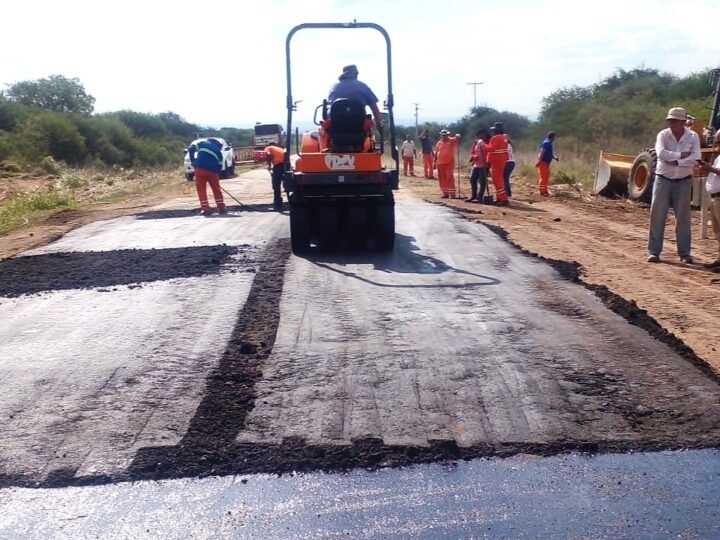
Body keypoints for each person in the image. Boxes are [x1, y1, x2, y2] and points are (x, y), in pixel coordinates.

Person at [647, 107, 701, 264]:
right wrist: (681, 156)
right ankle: (654, 252)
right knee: (657, 216)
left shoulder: (693, 136)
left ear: (683, 122)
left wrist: (675, 161)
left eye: (675, 121)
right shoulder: (663, 135)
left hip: (684, 181)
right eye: (670, 121)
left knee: (683, 218)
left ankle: (685, 253)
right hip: (663, 179)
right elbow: (661, 154)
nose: (672, 123)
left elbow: (696, 157)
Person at [328, 64, 383, 130]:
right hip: (359, 126)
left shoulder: (333, 87)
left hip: (336, 126)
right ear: (355, 73)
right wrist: (378, 124)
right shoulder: (362, 86)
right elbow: (374, 107)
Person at [696, 130, 720, 268]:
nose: (715, 145)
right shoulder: (717, 157)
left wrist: (710, 168)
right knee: (717, 231)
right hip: (715, 198)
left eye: (718, 142)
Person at [187, 138, 226, 216]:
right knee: (216, 189)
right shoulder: (219, 153)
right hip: (212, 172)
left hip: (200, 170)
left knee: (201, 190)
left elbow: (191, 148)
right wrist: (215, 175)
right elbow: (220, 167)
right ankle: (221, 207)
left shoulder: (203, 143)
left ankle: (205, 209)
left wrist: (193, 161)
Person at [485, 122, 510, 206]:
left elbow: (491, 148)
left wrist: (483, 145)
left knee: (497, 180)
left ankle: (503, 198)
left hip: (496, 161)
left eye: (494, 130)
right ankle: (499, 197)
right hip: (502, 160)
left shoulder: (496, 138)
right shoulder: (504, 137)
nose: (493, 132)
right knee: (499, 179)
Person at [434, 130, 461, 198]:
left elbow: (457, 138)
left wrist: (457, 135)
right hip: (440, 163)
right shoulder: (439, 143)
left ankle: (452, 193)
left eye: (445, 135)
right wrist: (434, 162)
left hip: (449, 163)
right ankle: (445, 193)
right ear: (441, 135)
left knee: (449, 177)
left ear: (447, 135)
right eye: (442, 135)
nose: (444, 136)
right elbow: (436, 152)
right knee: (441, 178)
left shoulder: (451, 140)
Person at [466, 128, 488, 203]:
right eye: (480, 135)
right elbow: (472, 152)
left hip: (484, 165)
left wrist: (487, 162)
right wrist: (473, 156)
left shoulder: (488, 141)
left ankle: (480, 197)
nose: (482, 136)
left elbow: (488, 152)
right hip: (476, 164)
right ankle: (473, 196)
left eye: (483, 134)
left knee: (482, 181)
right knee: (472, 179)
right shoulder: (476, 142)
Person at [536, 131, 559, 196]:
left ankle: (545, 190)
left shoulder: (548, 143)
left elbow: (549, 153)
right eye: (554, 137)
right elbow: (542, 152)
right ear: (552, 137)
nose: (555, 139)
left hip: (546, 163)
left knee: (546, 176)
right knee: (543, 177)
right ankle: (542, 191)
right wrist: (539, 161)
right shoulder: (546, 143)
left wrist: (554, 157)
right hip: (543, 162)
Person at [265, 142, 286, 210]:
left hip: (278, 166)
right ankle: (291, 202)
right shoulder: (280, 148)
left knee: (276, 185)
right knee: (287, 184)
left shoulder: (268, 148)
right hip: (286, 165)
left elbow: (268, 154)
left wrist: (269, 165)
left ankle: (278, 204)